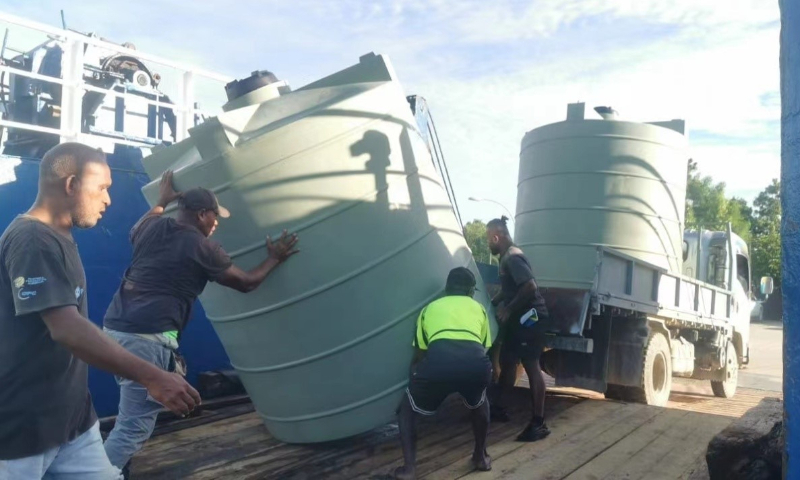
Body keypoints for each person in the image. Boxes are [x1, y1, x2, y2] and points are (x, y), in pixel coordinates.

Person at [0, 143, 201, 480]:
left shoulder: (58, 235)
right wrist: (152, 376)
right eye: (103, 188)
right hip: (22, 430)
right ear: (71, 185)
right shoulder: (32, 238)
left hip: (73, 420)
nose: (108, 199)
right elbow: (66, 328)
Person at [101, 170, 299, 474]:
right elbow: (245, 283)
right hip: (147, 338)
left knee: (130, 413)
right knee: (133, 426)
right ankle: (99, 473)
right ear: (201, 214)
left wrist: (161, 201)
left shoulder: (151, 228)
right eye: (214, 216)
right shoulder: (203, 247)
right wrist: (275, 257)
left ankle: (115, 469)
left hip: (114, 330)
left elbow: (139, 225)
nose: (216, 223)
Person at [394, 267, 493, 480]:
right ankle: (480, 457)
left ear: (447, 289)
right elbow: (483, 346)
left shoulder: (429, 309)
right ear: (470, 291)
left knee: (407, 409)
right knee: (480, 401)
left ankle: (409, 469)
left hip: (437, 365)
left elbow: (420, 351)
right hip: (475, 365)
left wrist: (413, 378)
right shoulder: (479, 308)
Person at [486, 216, 551, 442]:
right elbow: (510, 288)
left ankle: (538, 423)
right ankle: (499, 408)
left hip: (530, 318)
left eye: (488, 240)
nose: (488, 244)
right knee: (507, 361)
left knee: (531, 366)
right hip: (520, 319)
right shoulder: (506, 257)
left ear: (496, 236)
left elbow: (530, 287)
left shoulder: (513, 257)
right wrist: (492, 302)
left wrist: (508, 309)